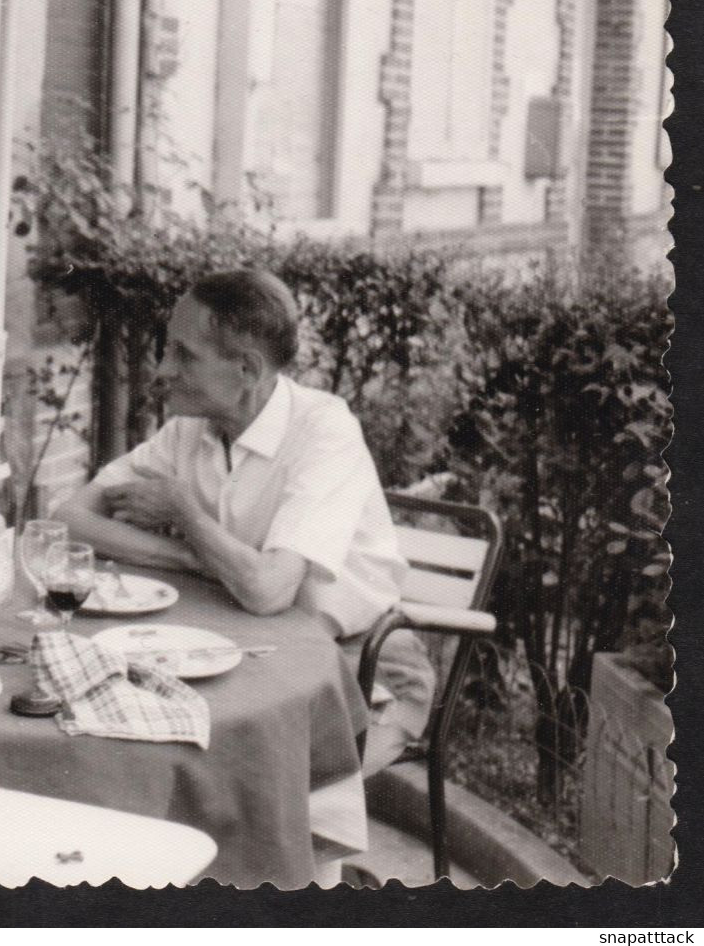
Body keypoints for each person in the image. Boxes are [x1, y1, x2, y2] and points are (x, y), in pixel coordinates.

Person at [53, 268, 433, 777]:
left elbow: (268, 590)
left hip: (365, 668)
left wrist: (185, 513)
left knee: (224, 767)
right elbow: (67, 521)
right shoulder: (192, 428)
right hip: (251, 642)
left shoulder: (325, 431)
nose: (161, 369)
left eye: (183, 355)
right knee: (124, 725)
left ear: (248, 370)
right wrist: (195, 558)